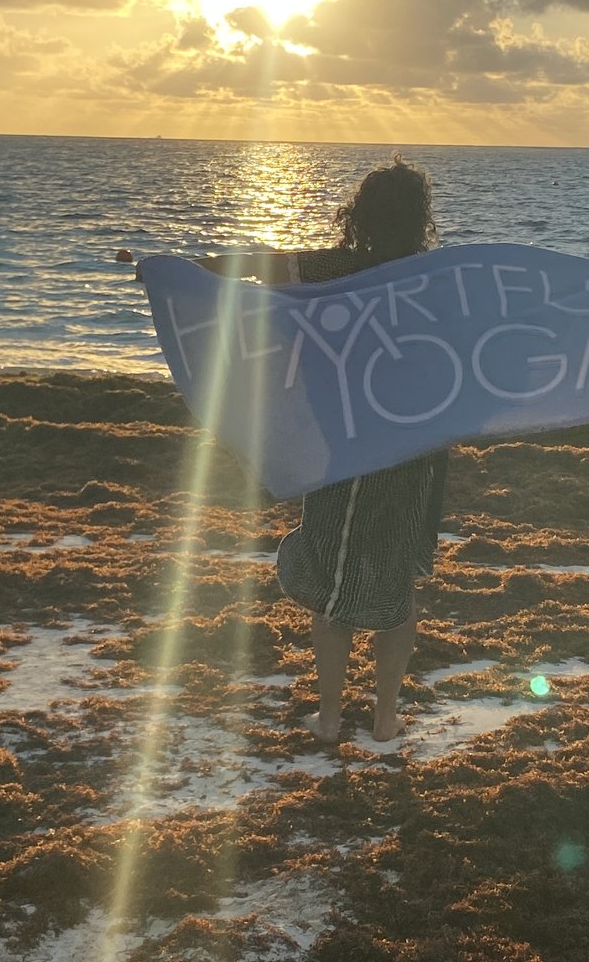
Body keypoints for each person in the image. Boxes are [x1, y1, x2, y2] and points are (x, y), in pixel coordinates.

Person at [121, 157, 446, 746]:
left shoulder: (330, 268)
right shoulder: (442, 279)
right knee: (395, 578)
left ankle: (327, 718)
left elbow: (248, 270)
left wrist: (171, 270)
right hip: (413, 448)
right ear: (421, 218)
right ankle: (384, 718)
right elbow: (524, 305)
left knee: (331, 576)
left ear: (360, 212)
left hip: (341, 441)